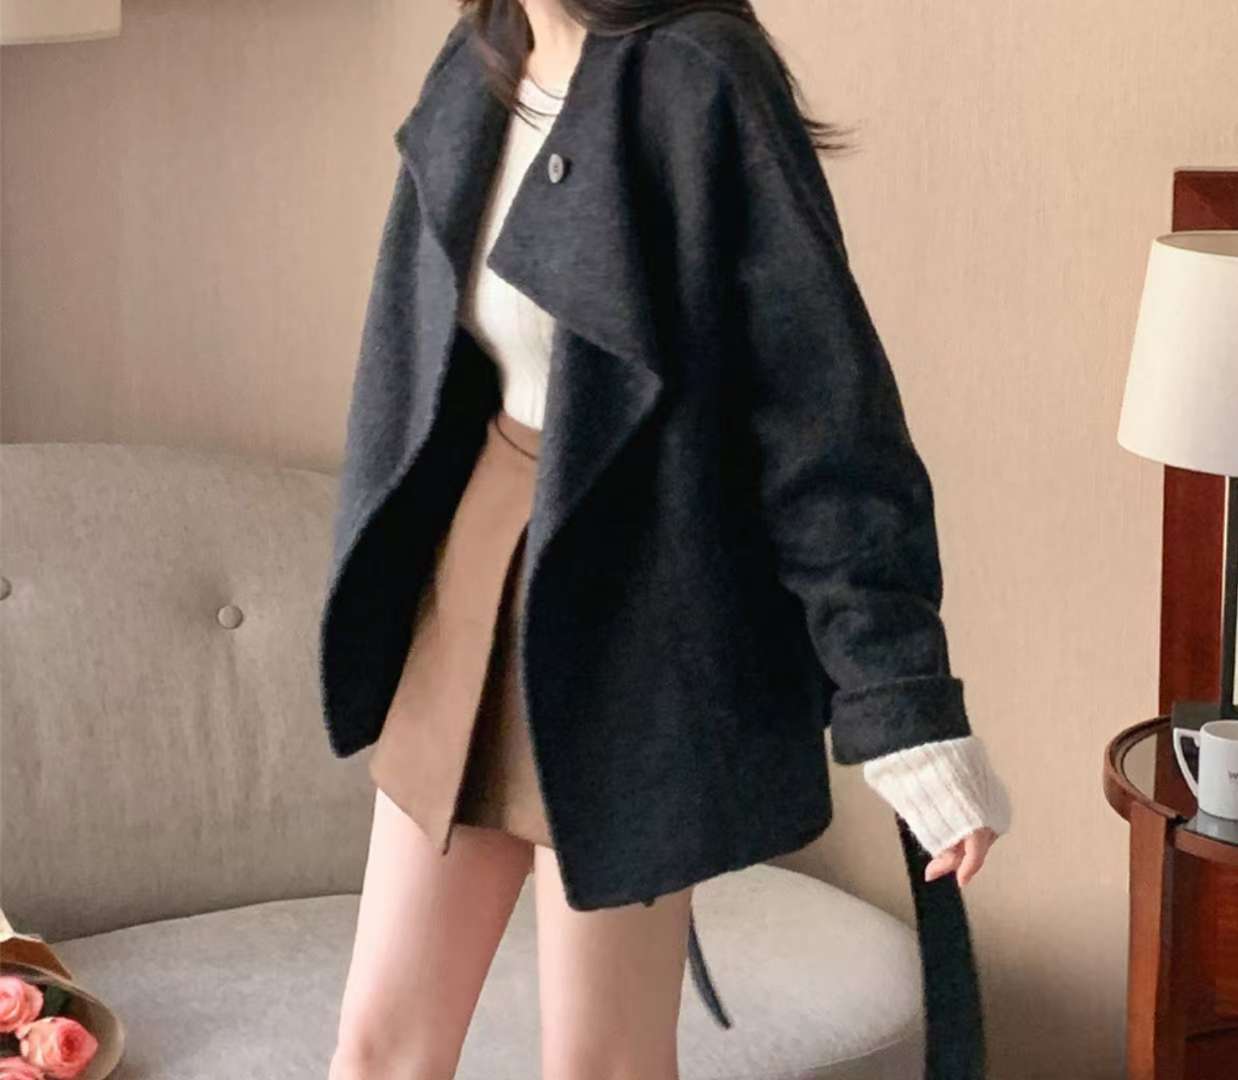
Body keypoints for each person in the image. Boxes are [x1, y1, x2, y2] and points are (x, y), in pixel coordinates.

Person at [323, 3, 1013, 1078]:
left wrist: (901, 702)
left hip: (634, 599)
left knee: (602, 1061)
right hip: (468, 574)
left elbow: (822, 413)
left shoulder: (700, 74)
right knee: (379, 1047)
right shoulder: (480, 56)